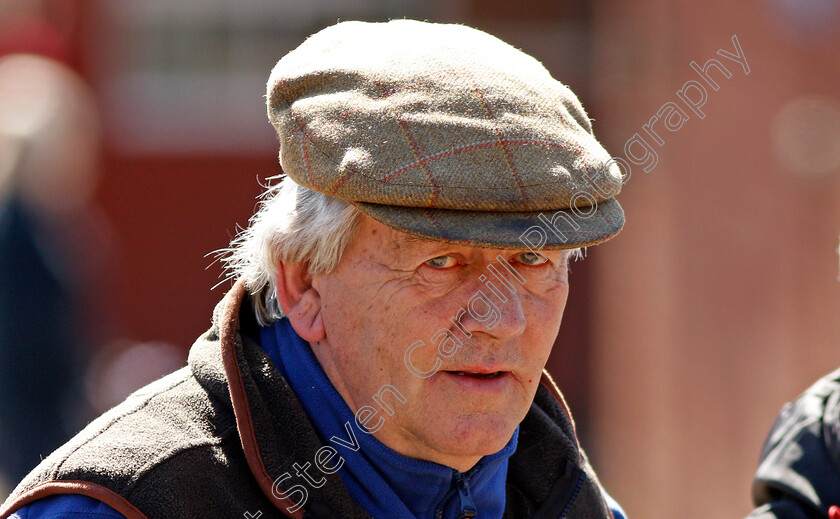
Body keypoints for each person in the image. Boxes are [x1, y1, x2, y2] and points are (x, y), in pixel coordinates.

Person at [1, 20, 628, 519]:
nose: (504, 319)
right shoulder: (123, 506)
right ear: (302, 280)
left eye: (532, 260)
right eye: (442, 263)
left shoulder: (565, 495)